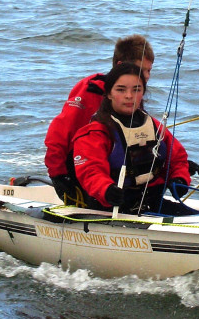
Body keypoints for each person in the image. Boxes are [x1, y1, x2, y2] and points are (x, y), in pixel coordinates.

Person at [72, 62, 193, 216]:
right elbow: (90, 172)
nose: (129, 96)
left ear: (143, 92)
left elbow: (178, 159)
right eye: (121, 90)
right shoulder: (94, 133)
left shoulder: (155, 126)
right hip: (110, 208)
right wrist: (107, 190)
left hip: (150, 202)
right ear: (109, 93)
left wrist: (180, 179)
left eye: (136, 90)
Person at [44, 34, 154, 202]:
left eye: (149, 70)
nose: (146, 76)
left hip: (116, 171)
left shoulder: (133, 96)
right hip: (82, 168)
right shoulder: (90, 91)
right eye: (141, 70)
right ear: (121, 65)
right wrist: (58, 174)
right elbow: (59, 133)